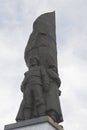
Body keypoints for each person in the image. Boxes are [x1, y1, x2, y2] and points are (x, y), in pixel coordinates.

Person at [16, 57, 49, 121]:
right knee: (27, 103)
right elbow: (24, 81)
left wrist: (46, 84)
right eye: (31, 61)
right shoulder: (27, 73)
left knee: (39, 100)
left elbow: (44, 76)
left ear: (37, 62)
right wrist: (22, 87)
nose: (32, 62)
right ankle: (26, 119)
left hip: (37, 85)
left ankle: (42, 116)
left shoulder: (40, 68)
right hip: (28, 87)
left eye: (34, 60)